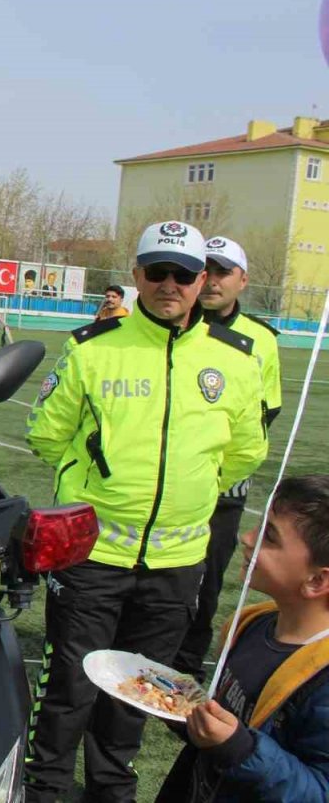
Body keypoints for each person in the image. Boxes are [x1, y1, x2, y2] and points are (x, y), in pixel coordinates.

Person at [23, 220, 268, 803]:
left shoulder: (235, 360)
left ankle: (112, 787)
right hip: (93, 556)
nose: (169, 284)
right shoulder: (91, 349)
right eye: (157, 272)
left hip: (178, 561)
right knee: (69, 688)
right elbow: (45, 434)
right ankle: (47, 787)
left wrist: (191, 489)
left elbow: (244, 451)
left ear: (201, 279)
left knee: (139, 691)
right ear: (136, 275)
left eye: (183, 274)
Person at [156, 475, 329, 802]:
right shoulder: (252, 624)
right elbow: (230, 722)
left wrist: (240, 749)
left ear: (317, 580)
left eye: (269, 536)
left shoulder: (321, 677)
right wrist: (184, 714)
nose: (247, 538)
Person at [174, 235, 283, 681]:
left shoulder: (260, 339)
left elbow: (265, 413)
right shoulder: (176, 324)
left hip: (223, 488)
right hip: (170, 485)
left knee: (207, 580)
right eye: (207, 271)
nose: (214, 281)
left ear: (242, 280)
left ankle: (182, 667)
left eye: (223, 272)